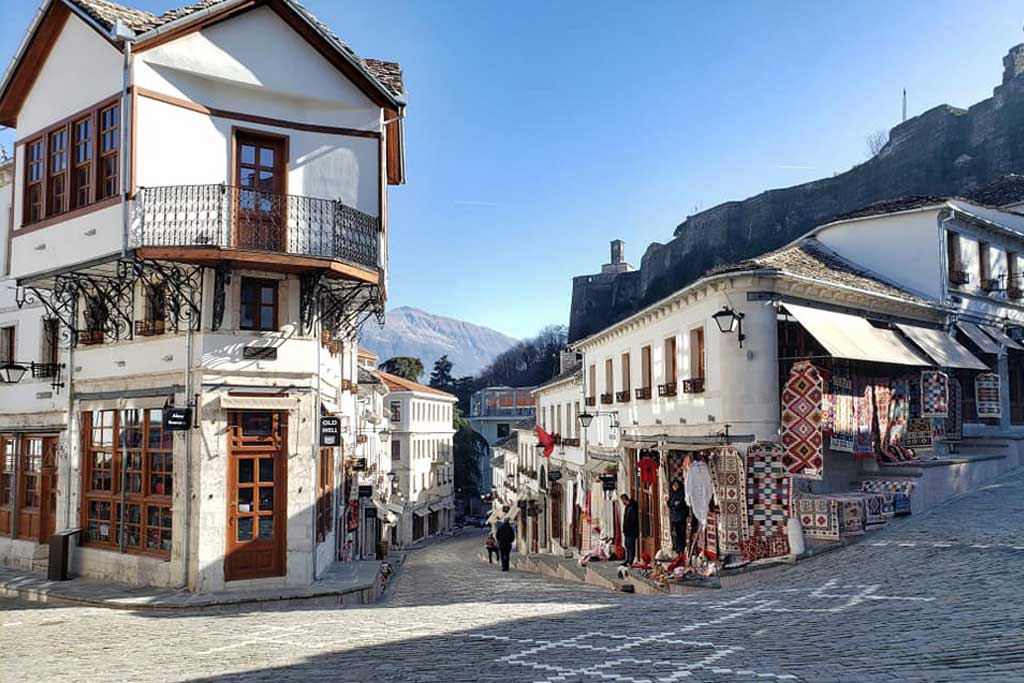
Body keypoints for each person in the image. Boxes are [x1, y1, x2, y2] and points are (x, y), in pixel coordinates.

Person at [667, 479, 689, 554]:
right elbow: (669, 503)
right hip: (675, 518)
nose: (675, 487)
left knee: (682, 534)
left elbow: (681, 504)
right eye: (673, 486)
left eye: (676, 485)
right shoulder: (672, 494)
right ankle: (677, 548)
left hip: (681, 517)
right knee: (676, 534)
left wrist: (674, 505)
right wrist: (674, 504)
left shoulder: (682, 493)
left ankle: (682, 549)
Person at [620, 493, 639, 567]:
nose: (623, 503)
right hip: (627, 531)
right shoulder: (627, 507)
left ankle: (630, 560)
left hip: (631, 531)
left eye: (623, 501)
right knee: (627, 545)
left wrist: (629, 527)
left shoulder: (632, 507)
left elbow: (633, 520)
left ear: (625, 499)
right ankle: (627, 559)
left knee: (631, 545)